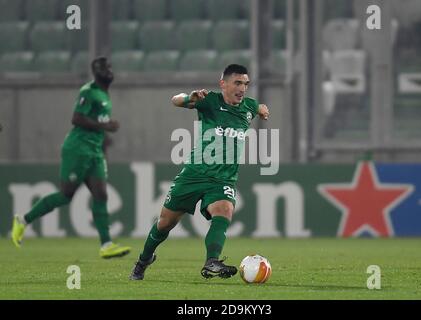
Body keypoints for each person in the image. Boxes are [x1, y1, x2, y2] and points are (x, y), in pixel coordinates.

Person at [129, 64, 270, 280]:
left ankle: (212, 261)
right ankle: (143, 261)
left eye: (246, 84)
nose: (243, 88)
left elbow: (257, 107)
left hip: (223, 178)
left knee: (224, 210)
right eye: (238, 83)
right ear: (223, 83)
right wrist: (189, 97)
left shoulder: (248, 106)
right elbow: (175, 100)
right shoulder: (209, 101)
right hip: (194, 174)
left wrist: (262, 108)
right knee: (165, 223)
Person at [11, 56, 131, 259]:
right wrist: (106, 126)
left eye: (110, 67)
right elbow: (76, 118)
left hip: (94, 151)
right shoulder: (88, 91)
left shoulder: (104, 94)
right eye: (104, 68)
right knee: (66, 195)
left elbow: (95, 120)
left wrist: (105, 131)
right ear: (96, 72)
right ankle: (22, 220)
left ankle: (106, 245)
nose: (109, 71)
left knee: (101, 194)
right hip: (77, 149)